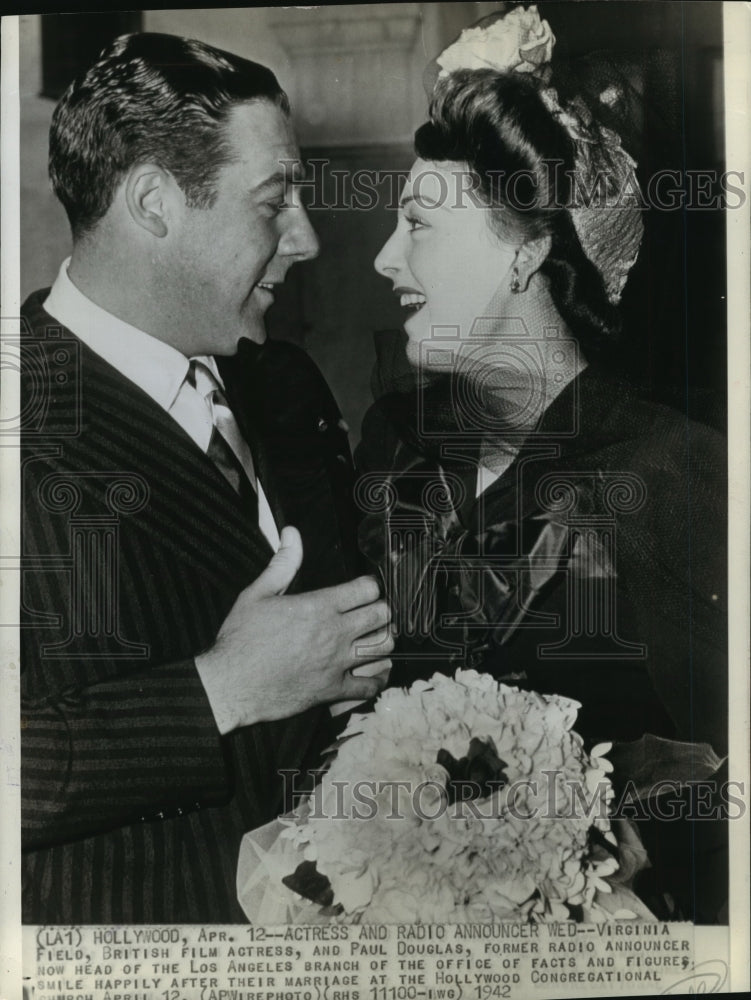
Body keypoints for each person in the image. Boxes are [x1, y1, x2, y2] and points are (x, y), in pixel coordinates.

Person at [356, 7, 727, 922]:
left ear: (526, 248)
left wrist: (596, 845)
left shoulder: (670, 470)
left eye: (418, 226)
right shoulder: (395, 445)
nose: (384, 259)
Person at [20, 31, 393, 924]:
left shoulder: (283, 382)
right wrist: (221, 689)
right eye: (273, 201)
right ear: (154, 203)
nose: (306, 238)